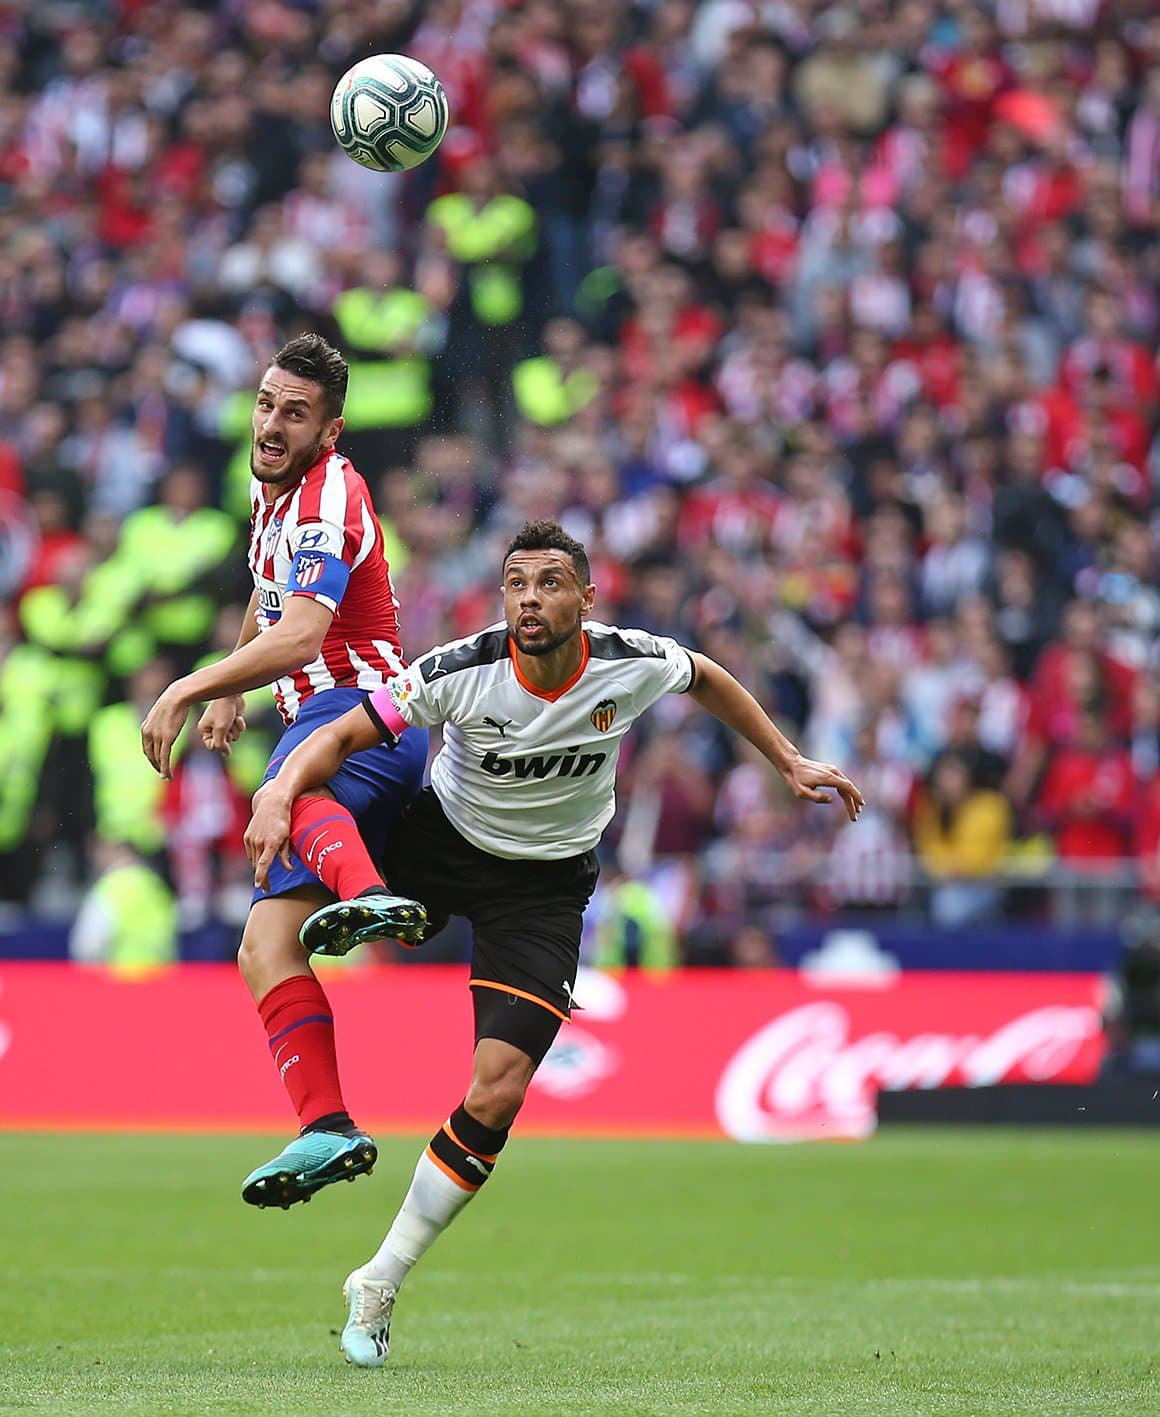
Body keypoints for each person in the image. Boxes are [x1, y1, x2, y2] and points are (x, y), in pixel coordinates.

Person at [244, 518, 864, 1367]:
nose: (529, 599)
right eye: (516, 584)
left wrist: (788, 761)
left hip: (542, 891)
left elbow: (708, 676)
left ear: (584, 595)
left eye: (547, 583)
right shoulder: (461, 669)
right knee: (313, 823)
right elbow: (345, 732)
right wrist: (277, 789)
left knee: (496, 1094)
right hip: (443, 846)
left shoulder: (627, 660)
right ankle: (365, 905)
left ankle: (379, 1278)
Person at [139, 333, 429, 1209]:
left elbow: (304, 635)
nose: (272, 422)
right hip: (316, 718)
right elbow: (270, 607)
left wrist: (189, 687)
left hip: (366, 711)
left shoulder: (329, 490)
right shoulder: (271, 494)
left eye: (295, 412)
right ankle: (327, 1125)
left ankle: (368, 895)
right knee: (262, 947)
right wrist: (234, 683)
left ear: (330, 431)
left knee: (281, 792)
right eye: (267, 403)